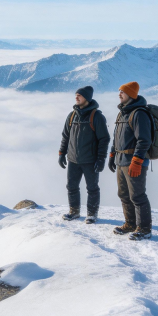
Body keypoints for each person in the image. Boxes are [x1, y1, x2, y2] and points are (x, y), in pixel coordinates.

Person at [58, 85, 110, 224]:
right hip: (73, 159)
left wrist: (101, 159)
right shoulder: (72, 115)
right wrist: (62, 153)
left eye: (79, 95)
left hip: (90, 160)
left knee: (92, 188)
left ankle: (92, 214)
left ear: (87, 98)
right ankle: (74, 211)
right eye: (76, 95)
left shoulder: (97, 116)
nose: (76, 97)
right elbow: (65, 136)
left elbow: (104, 139)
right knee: (71, 187)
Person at [108, 81, 153, 240]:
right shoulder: (122, 113)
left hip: (134, 161)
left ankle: (144, 229)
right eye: (119, 91)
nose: (119, 94)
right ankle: (131, 223)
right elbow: (117, 137)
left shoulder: (139, 114)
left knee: (137, 195)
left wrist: (137, 161)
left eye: (122, 92)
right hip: (121, 160)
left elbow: (144, 140)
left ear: (131, 95)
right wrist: (112, 154)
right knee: (124, 195)